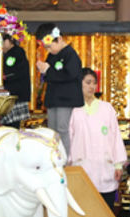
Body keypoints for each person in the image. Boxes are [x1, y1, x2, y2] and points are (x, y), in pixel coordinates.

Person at [68, 68, 127, 210]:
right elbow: (68, 140)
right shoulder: (73, 110)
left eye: (94, 83)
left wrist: (118, 165)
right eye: (88, 82)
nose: (91, 86)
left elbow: (115, 138)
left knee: (105, 212)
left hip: (104, 169)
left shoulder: (107, 109)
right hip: (81, 168)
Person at [36, 23, 84, 155]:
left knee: (63, 129)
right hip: (53, 99)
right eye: (46, 48)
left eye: (50, 46)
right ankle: (55, 158)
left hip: (66, 100)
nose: (49, 51)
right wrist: (43, 70)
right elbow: (50, 75)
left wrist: (48, 70)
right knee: (52, 131)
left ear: (60, 39)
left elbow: (69, 75)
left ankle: (65, 161)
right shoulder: (52, 55)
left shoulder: (71, 55)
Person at [0, 34, 30, 129]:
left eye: (3, 41)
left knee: (13, 128)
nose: (1, 44)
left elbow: (20, 72)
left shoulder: (19, 52)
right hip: (0, 96)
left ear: (10, 39)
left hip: (15, 95)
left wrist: (3, 75)